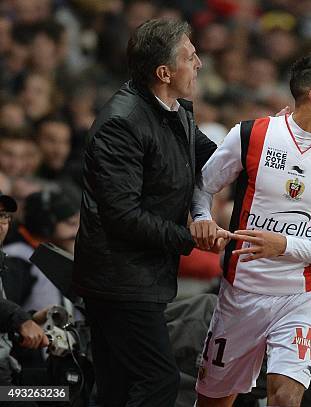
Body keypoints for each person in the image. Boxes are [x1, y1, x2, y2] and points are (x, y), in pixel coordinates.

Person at [191, 52, 311, 406]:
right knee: (215, 400)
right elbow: (203, 186)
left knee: (286, 398)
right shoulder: (250, 134)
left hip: (303, 297)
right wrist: (202, 219)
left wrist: (283, 245)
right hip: (241, 293)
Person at [72, 19, 219, 407]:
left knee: (117, 389)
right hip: (118, 279)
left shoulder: (175, 108)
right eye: (190, 57)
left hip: (141, 274)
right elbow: (123, 215)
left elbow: (215, 159)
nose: (199, 63)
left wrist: (268, 139)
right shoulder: (121, 123)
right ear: (164, 72)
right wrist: (191, 237)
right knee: (157, 381)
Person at [0, 190, 49, 387]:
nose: (1, 224)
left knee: (60, 392)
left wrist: (32, 318)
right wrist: (19, 318)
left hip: (8, 368)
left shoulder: (2, 260)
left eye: (3, 216)